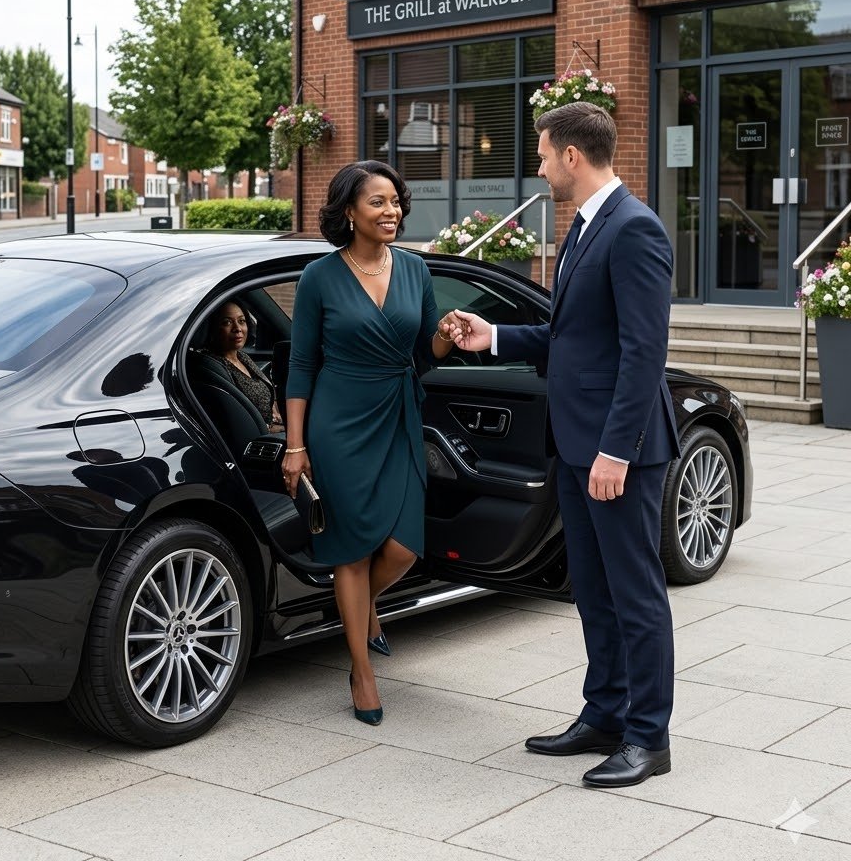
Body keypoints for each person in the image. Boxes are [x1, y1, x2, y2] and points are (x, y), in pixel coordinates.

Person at [450, 102, 680, 788]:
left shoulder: (634, 229)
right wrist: (489, 337)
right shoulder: (583, 229)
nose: (541, 166)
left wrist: (617, 450)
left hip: (619, 451)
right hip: (577, 444)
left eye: (545, 153)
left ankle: (649, 737)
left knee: (636, 595)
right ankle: (604, 715)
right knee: (595, 593)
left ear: (573, 156)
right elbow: (571, 338)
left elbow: (645, 353)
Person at [282, 160, 460, 726]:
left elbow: (424, 354)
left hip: (398, 415)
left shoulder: (414, 269)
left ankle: (365, 612)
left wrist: (447, 334)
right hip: (338, 423)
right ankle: (361, 668)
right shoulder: (320, 277)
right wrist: (294, 445)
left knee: (403, 548)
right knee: (352, 549)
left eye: (396, 201)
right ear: (349, 212)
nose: (392, 212)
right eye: (378, 202)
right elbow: (301, 363)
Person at [201, 301, 284, 432]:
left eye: (241, 321)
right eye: (227, 322)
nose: (237, 328)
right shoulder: (215, 366)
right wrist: (277, 429)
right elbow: (236, 422)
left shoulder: (242, 356)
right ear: (212, 328)